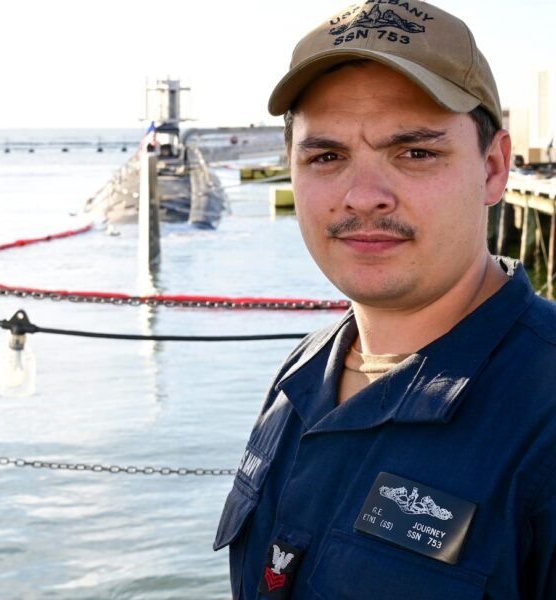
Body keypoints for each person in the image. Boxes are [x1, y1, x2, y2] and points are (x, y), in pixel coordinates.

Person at [214, 1, 556, 598]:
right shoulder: (303, 373)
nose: (363, 196)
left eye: (415, 152)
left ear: (494, 168)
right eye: (327, 156)